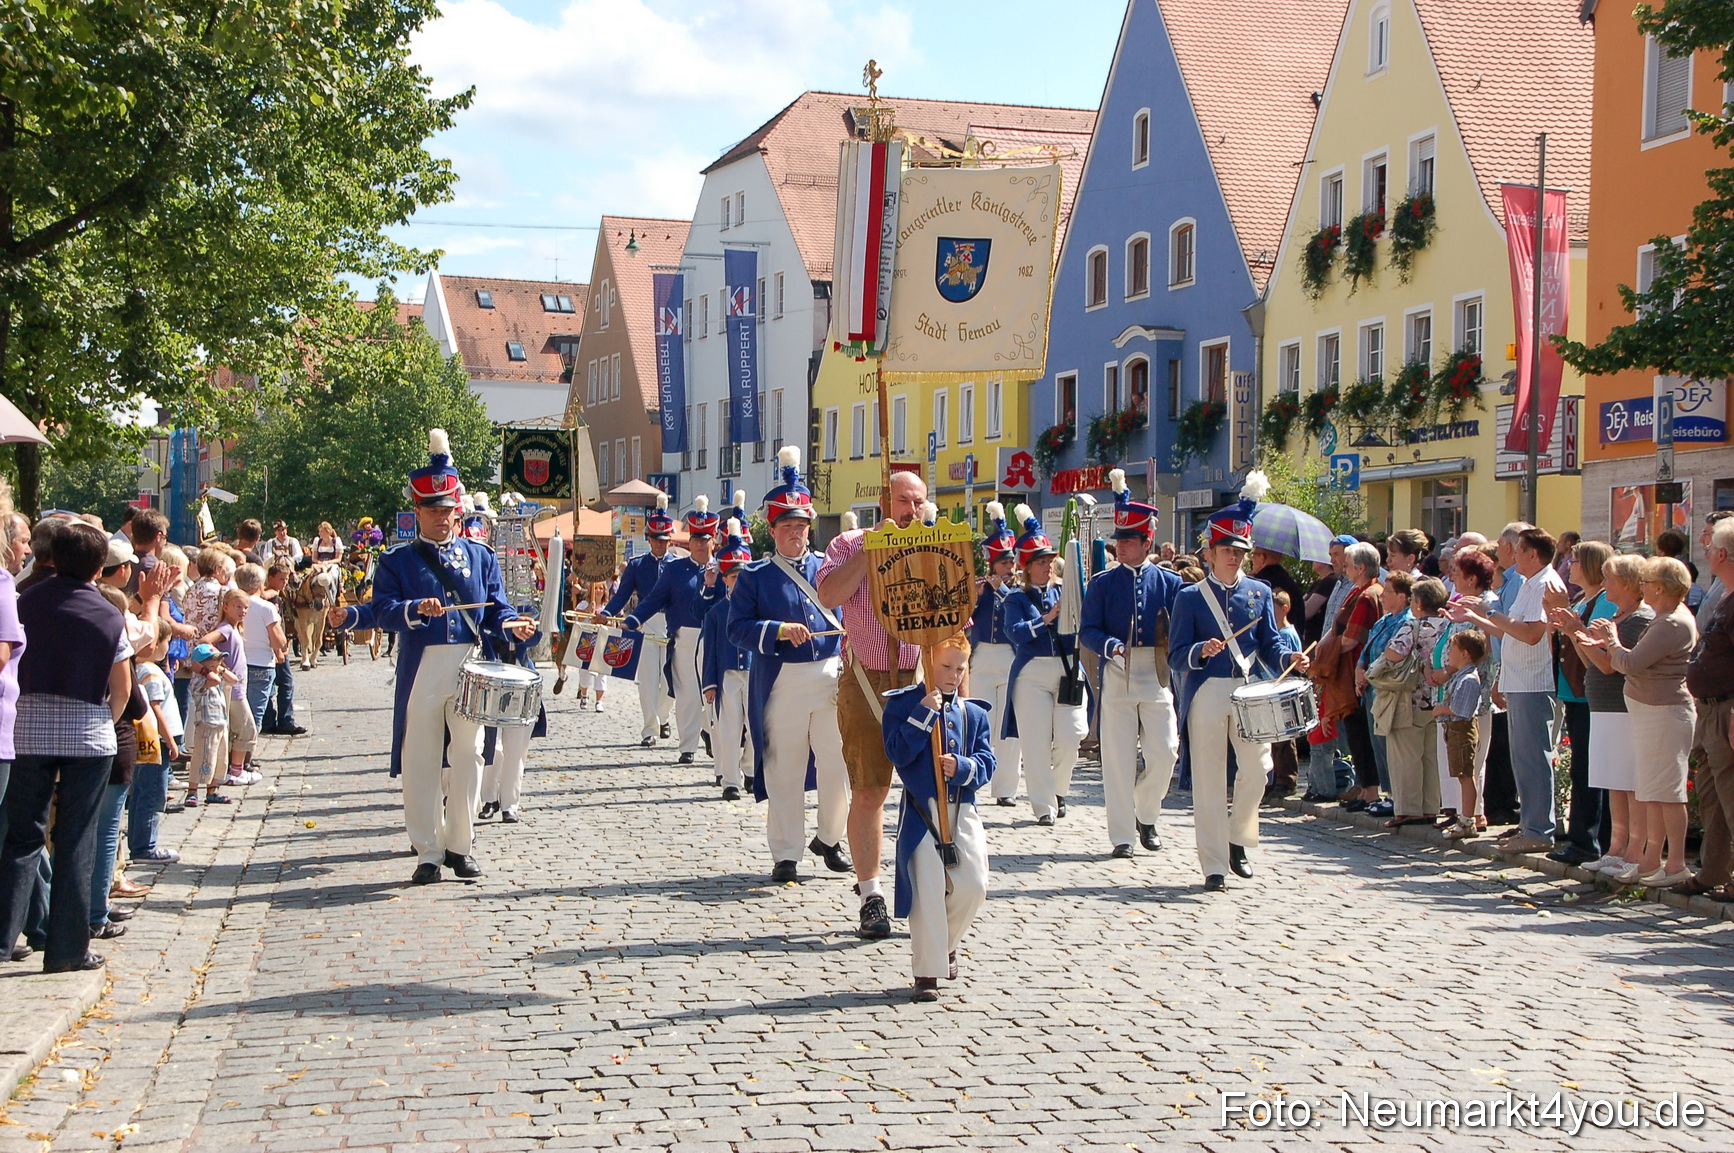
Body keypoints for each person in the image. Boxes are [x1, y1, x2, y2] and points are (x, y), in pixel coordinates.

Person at [372, 429, 536, 884]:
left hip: (469, 665)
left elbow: (496, 608)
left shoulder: (481, 557)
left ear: (458, 510)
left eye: (448, 511)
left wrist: (512, 624)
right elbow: (383, 611)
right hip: (422, 666)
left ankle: (460, 846)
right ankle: (427, 851)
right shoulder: (396, 562)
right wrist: (412, 610)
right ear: (418, 512)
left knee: (469, 755)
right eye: (433, 511)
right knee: (421, 758)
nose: (442, 519)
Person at [0, 521, 133, 972]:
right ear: (100, 567)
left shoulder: (24, 602)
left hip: (27, 732)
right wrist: (101, 721)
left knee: (22, 837)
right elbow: (121, 688)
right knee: (77, 839)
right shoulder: (109, 614)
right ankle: (67, 950)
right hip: (87, 735)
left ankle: (3, 938)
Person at [728, 447, 852, 889]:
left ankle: (831, 839)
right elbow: (737, 629)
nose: (796, 534)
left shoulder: (827, 568)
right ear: (773, 531)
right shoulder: (755, 576)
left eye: (801, 526)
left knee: (839, 763)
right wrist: (778, 630)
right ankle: (785, 853)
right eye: (787, 527)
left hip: (832, 678)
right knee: (786, 769)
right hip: (783, 682)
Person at [1168, 496, 1303, 891]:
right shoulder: (1189, 598)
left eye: (1240, 552)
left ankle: (1237, 838)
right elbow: (1177, 654)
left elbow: (1271, 644)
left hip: (1248, 691)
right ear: (1209, 553)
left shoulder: (1259, 592)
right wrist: (1200, 651)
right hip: (1207, 691)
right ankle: (1213, 864)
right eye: (1227, 551)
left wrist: (1289, 658)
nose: (1234, 558)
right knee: (1210, 781)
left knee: (1259, 770)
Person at [816, 468, 929, 939]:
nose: (913, 510)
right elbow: (828, 593)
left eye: (919, 501)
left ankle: (929, 884)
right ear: (886, 502)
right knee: (870, 789)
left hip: (921, 676)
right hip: (867, 677)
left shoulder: (935, 543)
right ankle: (871, 893)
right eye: (904, 501)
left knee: (929, 788)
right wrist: (871, 549)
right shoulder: (848, 543)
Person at [882, 632, 994, 1003]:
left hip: (962, 807)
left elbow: (986, 762)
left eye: (959, 668)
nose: (952, 674)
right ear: (928, 662)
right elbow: (897, 752)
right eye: (945, 666)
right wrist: (924, 713)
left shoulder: (973, 713)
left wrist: (962, 767)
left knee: (974, 885)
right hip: (921, 810)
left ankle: (946, 942)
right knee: (927, 891)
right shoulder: (902, 705)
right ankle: (926, 972)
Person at [1079, 469, 1186, 852]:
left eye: (1128, 540)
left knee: (1165, 750)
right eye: (1119, 539)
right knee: (1118, 758)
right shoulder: (1103, 583)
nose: (1120, 546)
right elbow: (1087, 629)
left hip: (1156, 673)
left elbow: (1180, 629)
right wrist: (1110, 646)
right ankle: (1122, 835)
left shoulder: (1171, 583)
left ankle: (1147, 813)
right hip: (1117, 671)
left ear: (1147, 541)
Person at [1446, 527, 1563, 853]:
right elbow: (1507, 630)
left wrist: (1488, 612)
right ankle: (1530, 825)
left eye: (1517, 550)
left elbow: (1530, 634)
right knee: (1522, 760)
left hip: (1533, 681)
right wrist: (1474, 615)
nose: (1508, 556)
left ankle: (1539, 830)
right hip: (1519, 679)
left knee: (1533, 759)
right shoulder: (1528, 583)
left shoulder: (1545, 583)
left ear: (1532, 555)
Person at [1589, 557, 1698, 886]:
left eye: (1647, 583)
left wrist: (1610, 639)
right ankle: (1651, 860)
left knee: (1668, 792)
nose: (1643, 588)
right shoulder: (1664, 618)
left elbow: (1631, 663)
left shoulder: (1672, 623)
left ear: (1661, 588)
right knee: (1651, 791)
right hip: (1650, 712)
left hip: (1665, 713)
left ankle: (1675, 863)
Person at [1559, 554, 1651, 879]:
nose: (1605, 584)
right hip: (1604, 709)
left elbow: (1611, 664)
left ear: (1626, 583)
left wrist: (1579, 631)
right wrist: (1576, 634)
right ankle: (1615, 848)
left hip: (1622, 709)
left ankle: (1633, 852)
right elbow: (1595, 663)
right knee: (1614, 783)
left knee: (1628, 784)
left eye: (1609, 578)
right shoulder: (1616, 614)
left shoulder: (1637, 619)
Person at [1002, 508, 1088, 834]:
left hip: (1067, 668)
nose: (1047, 565)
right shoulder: (1015, 598)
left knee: (1072, 735)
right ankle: (1043, 805)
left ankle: (1059, 789)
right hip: (1031, 672)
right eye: (1040, 561)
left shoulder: (1065, 589)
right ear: (1027, 566)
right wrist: (1047, 618)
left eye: (1049, 560)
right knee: (1036, 742)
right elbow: (1017, 633)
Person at [623, 496, 724, 766]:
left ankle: (716, 737)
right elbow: (654, 599)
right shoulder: (675, 569)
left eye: (706, 539)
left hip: (717, 641)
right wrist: (632, 620)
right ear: (689, 541)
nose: (701, 545)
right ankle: (688, 745)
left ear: (714, 541)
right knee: (687, 695)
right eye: (696, 539)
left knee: (718, 695)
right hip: (684, 639)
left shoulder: (726, 569)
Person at [1545, 540, 1613, 865]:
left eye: (1574, 561)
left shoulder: (1603, 602)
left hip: (1590, 693)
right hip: (1574, 690)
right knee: (1581, 768)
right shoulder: (1582, 598)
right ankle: (1583, 839)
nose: (1568, 567)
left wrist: (1571, 625)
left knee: (1590, 771)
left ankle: (1589, 841)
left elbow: (1591, 644)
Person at [1369, 577, 1450, 828]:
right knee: (1431, 757)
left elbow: (1394, 653)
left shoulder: (1413, 626)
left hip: (1411, 698)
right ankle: (1430, 808)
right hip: (1439, 697)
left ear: (1419, 602)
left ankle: (1408, 810)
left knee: (1406, 756)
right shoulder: (1449, 625)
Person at [1680, 518, 1734, 898]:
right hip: (1711, 709)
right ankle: (1713, 871)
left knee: (1731, 797)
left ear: (1723, 554)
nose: (1705, 550)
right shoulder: (1725, 595)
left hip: (1728, 712)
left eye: (1710, 545)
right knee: (1713, 796)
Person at [1309, 542, 1384, 806]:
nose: (1343, 566)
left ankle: (1371, 790)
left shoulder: (1367, 595)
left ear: (1361, 568)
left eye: (1348, 563)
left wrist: (1325, 653)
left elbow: (1351, 638)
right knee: (1355, 733)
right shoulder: (1360, 590)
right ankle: (1365, 789)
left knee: (1360, 732)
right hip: (1351, 669)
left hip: (1354, 670)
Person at [599, 495, 676, 748]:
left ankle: (663, 717)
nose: (660, 545)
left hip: (673, 624)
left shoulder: (678, 565)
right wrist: (608, 613)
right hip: (644, 622)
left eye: (664, 541)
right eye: (655, 540)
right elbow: (622, 595)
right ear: (648, 539)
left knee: (670, 681)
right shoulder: (636, 565)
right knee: (647, 682)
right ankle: (649, 729)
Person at [969, 503, 1022, 809]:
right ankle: (976, 778)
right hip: (983, 658)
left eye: (1011, 561)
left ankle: (1006, 788)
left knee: (1009, 727)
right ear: (992, 563)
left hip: (1012, 658)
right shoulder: (980, 587)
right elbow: (964, 618)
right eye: (1003, 563)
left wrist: (1002, 590)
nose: (1009, 567)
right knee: (982, 722)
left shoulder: (1019, 589)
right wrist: (976, 597)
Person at [700, 518, 755, 801]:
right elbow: (709, 651)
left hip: (755, 675)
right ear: (725, 580)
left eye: (744, 576)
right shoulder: (716, 613)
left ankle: (751, 770)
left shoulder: (760, 609)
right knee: (729, 729)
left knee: (757, 730)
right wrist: (709, 683)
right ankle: (730, 780)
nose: (740, 581)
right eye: (734, 577)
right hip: (727, 677)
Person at [130, 620, 181, 865]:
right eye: (166, 641)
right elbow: (155, 708)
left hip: (154, 741)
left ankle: (140, 841)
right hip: (157, 741)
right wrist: (170, 739)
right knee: (151, 793)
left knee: (143, 791)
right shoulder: (149, 672)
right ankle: (144, 846)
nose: (168, 646)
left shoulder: (146, 668)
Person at [1435, 630, 1488, 840]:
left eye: (1453, 650)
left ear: (1465, 654)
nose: (1449, 654)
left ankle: (1467, 820)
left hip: (1462, 730)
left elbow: (1462, 710)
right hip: (1455, 730)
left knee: (1466, 775)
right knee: (1461, 774)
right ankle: (1465, 817)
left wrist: (1441, 709)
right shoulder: (1461, 676)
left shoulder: (1468, 679)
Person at [183, 643, 236, 810]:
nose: (216, 667)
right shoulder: (199, 680)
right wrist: (203, 670)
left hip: (220, 722)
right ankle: (192, 791)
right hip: (206, 724)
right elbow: (213, 680)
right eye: (211, 664)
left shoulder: (216, 674)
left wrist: (220, 668)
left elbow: (234, 679)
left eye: (217, 663)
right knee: (203, 756)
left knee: (220, 758)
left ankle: (212, 790)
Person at [259, 564, 304, 735]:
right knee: (285, 683)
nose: (284, 583)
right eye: (280, 579)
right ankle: (285, 720)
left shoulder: (279, 595)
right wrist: (279, 649)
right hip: (275, 646)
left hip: (276, 646)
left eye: (286, 579)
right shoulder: (269, 597)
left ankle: (270, 720)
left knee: (272, 685)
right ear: (270, 578)